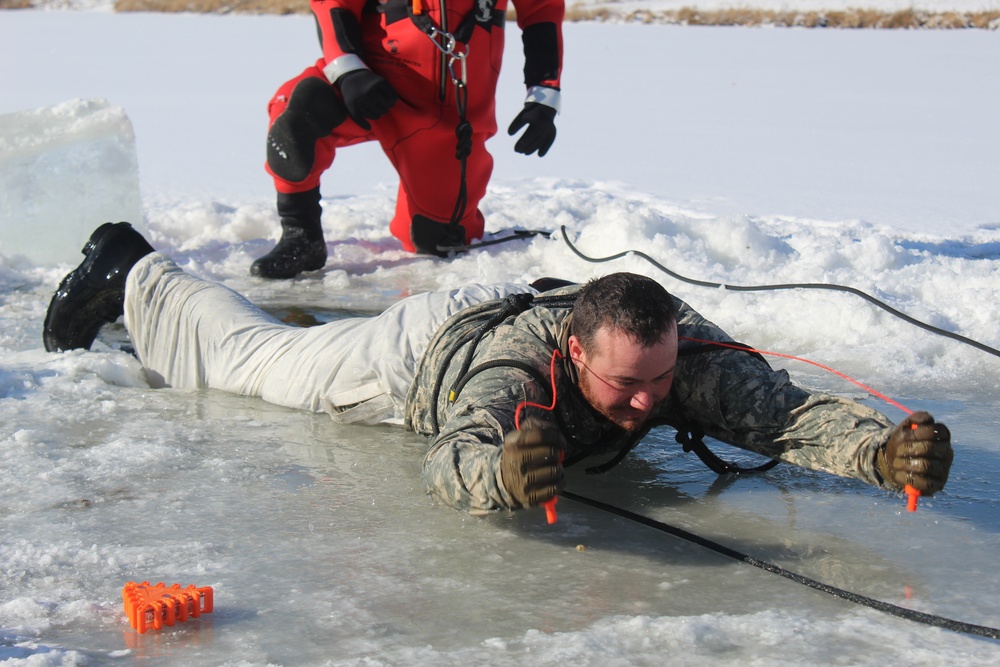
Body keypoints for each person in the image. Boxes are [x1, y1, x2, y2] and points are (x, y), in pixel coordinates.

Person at [44, 222, 954, 515]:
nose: (650, 400)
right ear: (574, 355)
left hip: (516, 314)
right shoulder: (520, 376)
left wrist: (883, 450)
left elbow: (781, 412)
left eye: (659, 380)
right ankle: (137, 270)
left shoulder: (672, 351)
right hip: (417, 358)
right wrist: (502, 474)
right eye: (625, 387)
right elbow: (458, 450)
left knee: (718, 391)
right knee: (244, 359)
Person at [252, 0, 565, 279]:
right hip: (368, 84)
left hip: (444, 116)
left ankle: (432, 218)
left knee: (437, 240)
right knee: (296, 110)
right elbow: (335, 4)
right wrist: (348, 71)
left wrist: (544, 95)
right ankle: (300, 234)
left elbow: (541, 10)